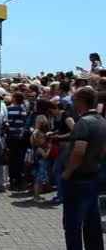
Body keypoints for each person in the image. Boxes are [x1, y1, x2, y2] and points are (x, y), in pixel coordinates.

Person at [61, 87, 106, 250]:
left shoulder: (83, 123)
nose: (73, 102)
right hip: (94, 175)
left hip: (78, 178)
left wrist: (67, 172)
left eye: (74, 99)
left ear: (81, 101)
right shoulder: (101, 121)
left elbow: (79, 151)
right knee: (92, 222)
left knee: (72, 224)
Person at [6, 92, 28, 190]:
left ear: (14, 99)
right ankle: (18, 179)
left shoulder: (9, 109)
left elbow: (7, 122)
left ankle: (11, 179)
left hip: (11, 135)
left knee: (11, 158)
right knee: (20, 158)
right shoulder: (24, 110)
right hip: (20, 136)